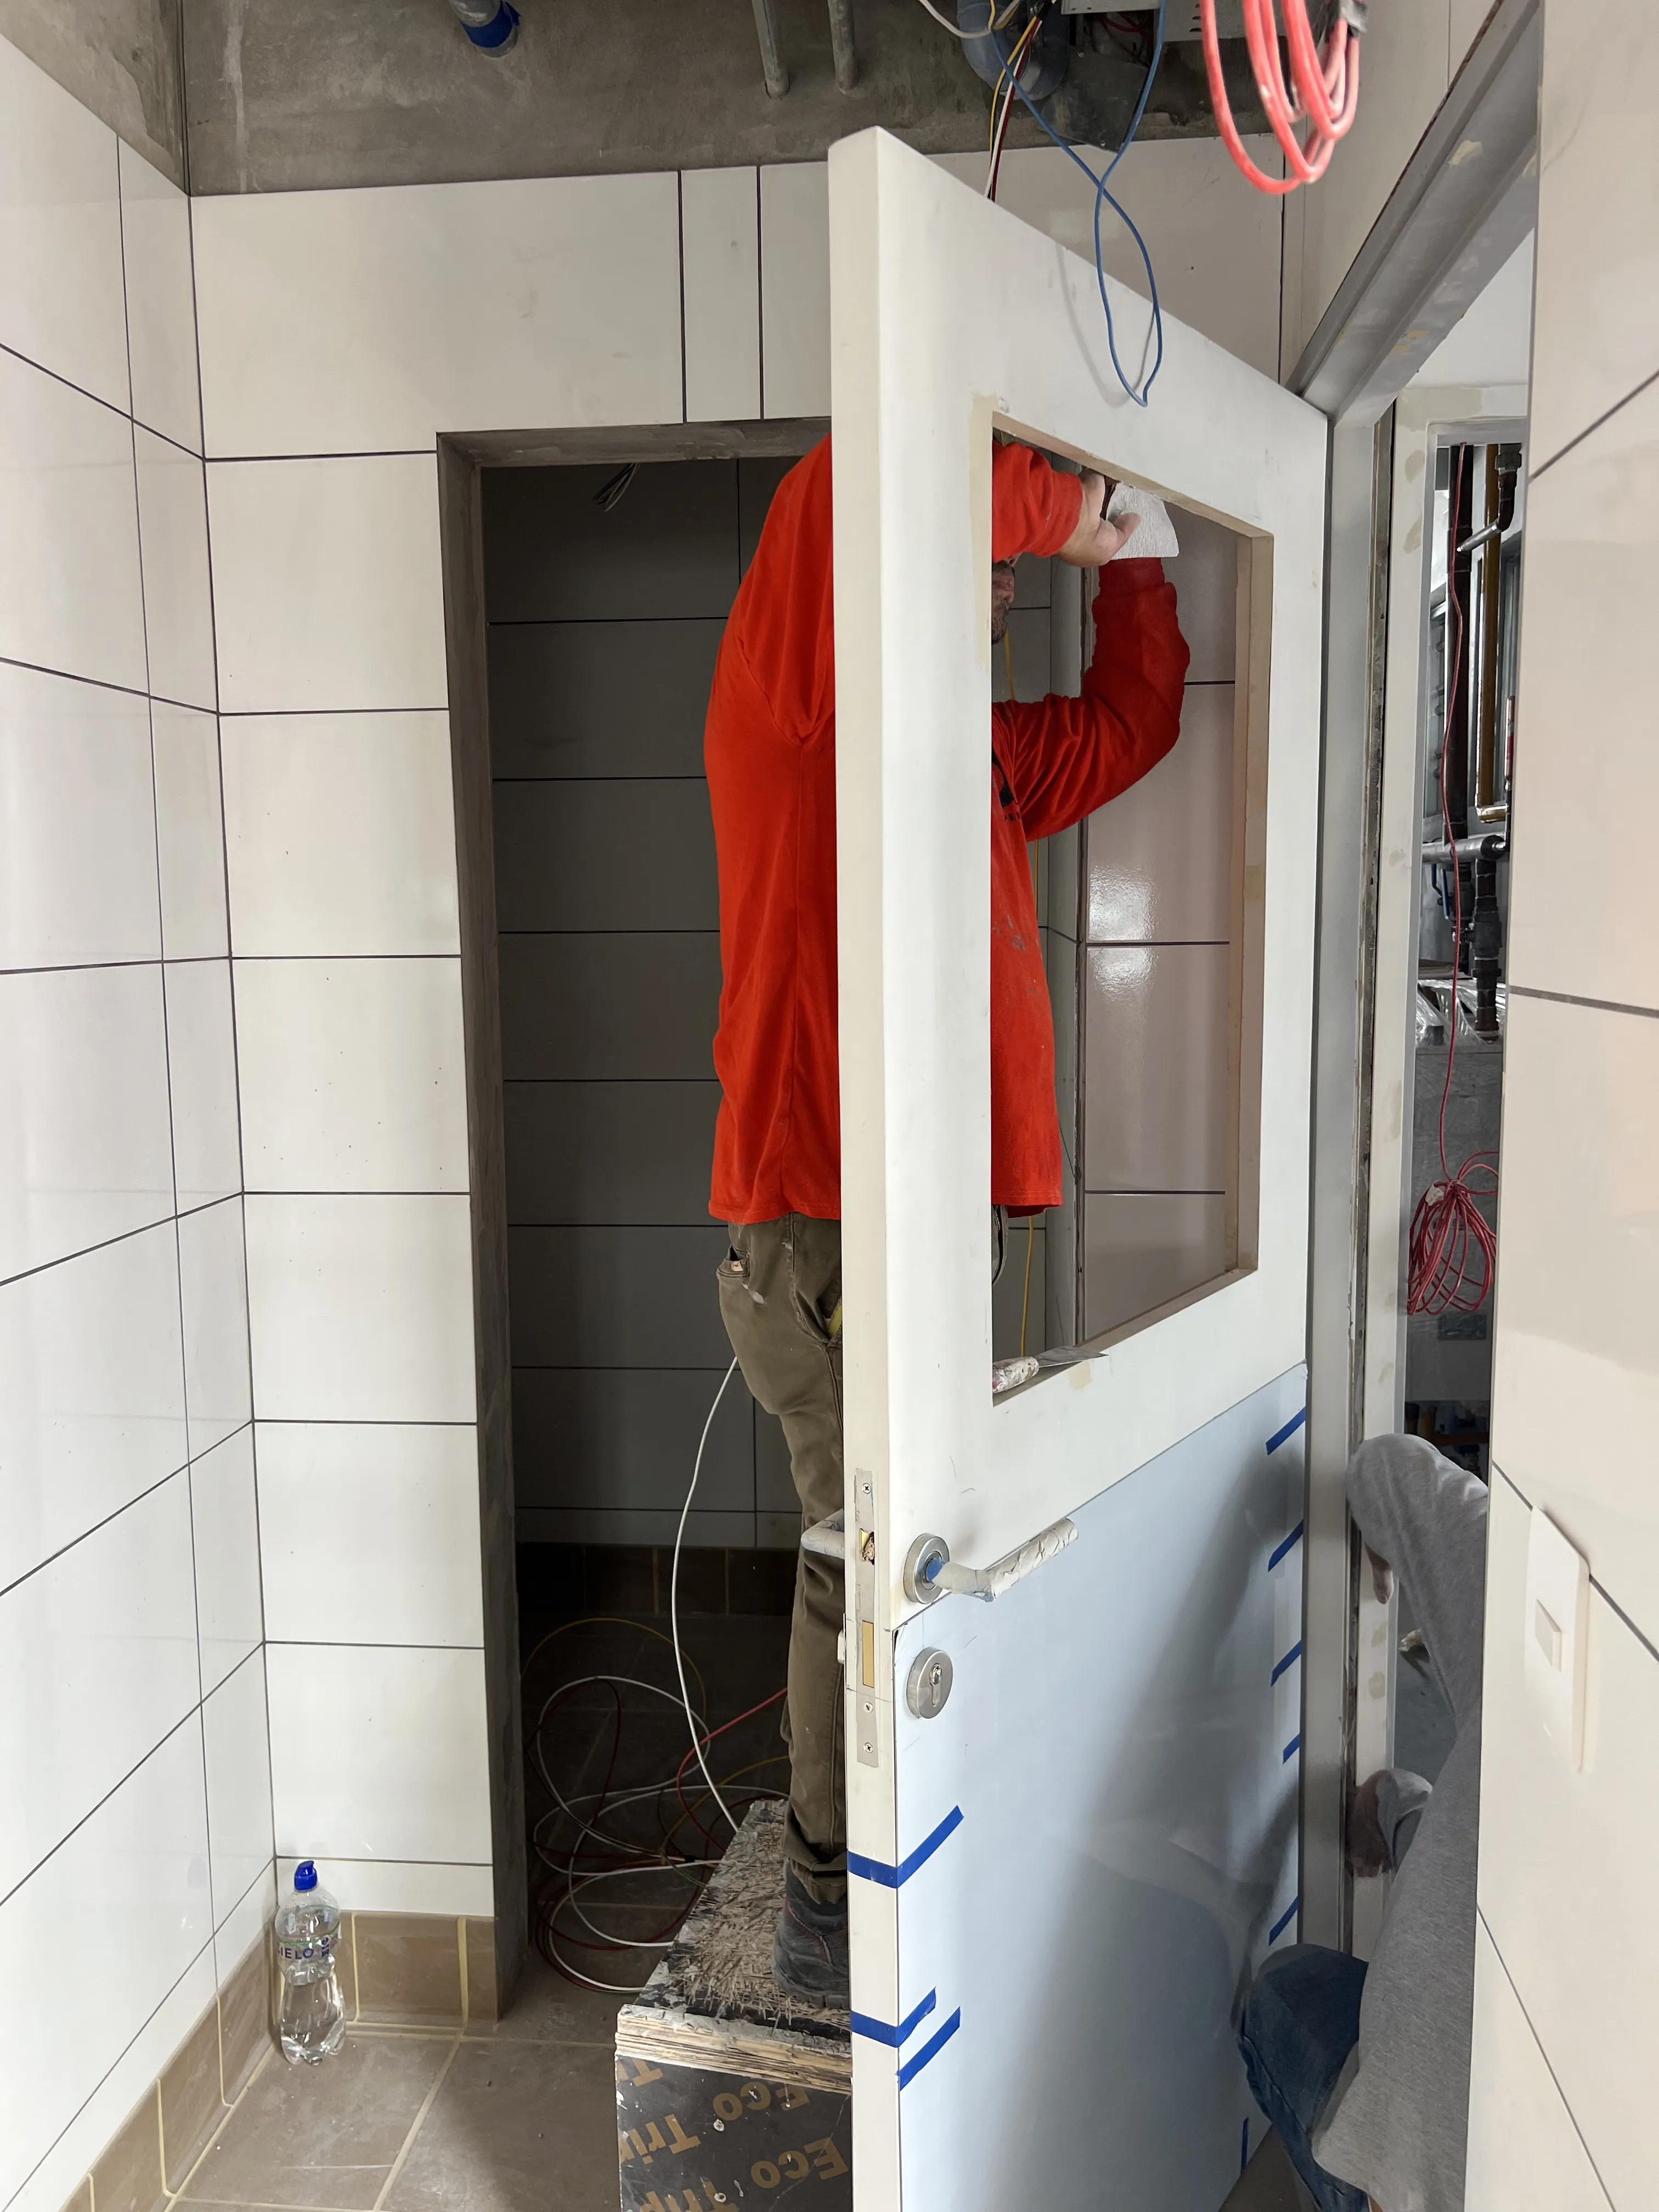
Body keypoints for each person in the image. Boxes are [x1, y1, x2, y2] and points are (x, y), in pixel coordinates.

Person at [703, 433, 1190, 2002]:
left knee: (918, 1549)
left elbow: (1133, 720)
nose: (993, 593)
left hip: (926, 1228)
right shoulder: (794, 701)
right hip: (828, 1229)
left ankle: (905, 1866)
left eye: (997, 573)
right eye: (975, 562)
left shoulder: (963, 756)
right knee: (863, 1557)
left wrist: (1134, 557)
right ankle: (827, 1897)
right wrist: (1076, 511)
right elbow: (871, 473)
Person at [1237, 1434, 1487, 2211]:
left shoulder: (1556, 1607)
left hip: (1413, 2186)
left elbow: (1392, 1472)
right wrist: (1398, 1806)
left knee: (1285, 1993)